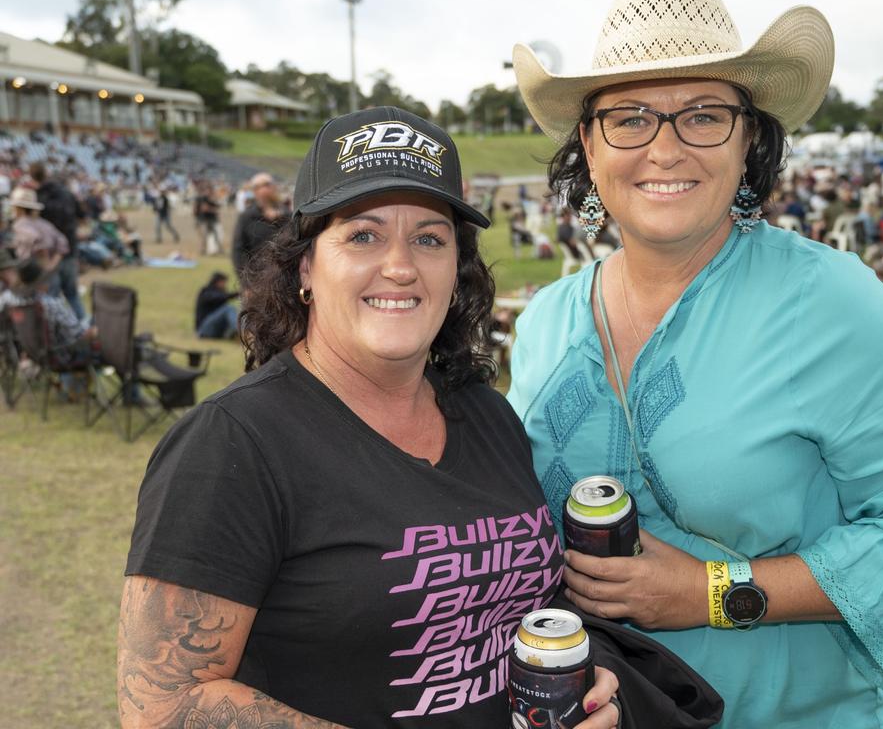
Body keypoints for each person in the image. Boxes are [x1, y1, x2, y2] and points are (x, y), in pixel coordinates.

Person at [507, 0, 883, 728]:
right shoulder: (546, 323)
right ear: (589, 145)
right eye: (629, 118)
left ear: (748, 140)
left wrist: (712, 589)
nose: (664, 148)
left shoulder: (835, 306)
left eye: (703, 115)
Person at [116, 107, 620, 729]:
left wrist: (573, 688)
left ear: (455, 268)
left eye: (430, 238)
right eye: (363, 235)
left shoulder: (487, 414)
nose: (401, 266)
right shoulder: (232, 443)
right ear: (305, 265)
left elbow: (507, 613)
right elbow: (163, 704)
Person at [29, 162, 86, 320]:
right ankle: (84, 327)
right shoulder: (67, 193)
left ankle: (58, 336)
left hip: (50, 255)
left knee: (50, 297)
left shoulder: (36, 198)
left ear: (32, 177)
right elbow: (82, 216)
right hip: (69, 249)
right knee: (72, 294)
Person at [232, 172, 287, 283]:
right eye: (259, 187)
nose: (264, 190)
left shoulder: (288, 215)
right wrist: (245, 284)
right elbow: (238, 250)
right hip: (257, 279)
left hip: (285, 278)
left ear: (274, 187)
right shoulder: (247, 217)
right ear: (254, 191)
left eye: (267, 185)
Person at [194, 271, 239, 339]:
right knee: (229, 308)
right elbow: (217, 297)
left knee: (237, 312)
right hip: (204, 329)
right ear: (217, 281)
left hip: (215, 331)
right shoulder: (206, 291)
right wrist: (238, 294)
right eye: (223, 282)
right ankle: (240, 331)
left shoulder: (220, 292)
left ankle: (235, 333)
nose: (224, 284)